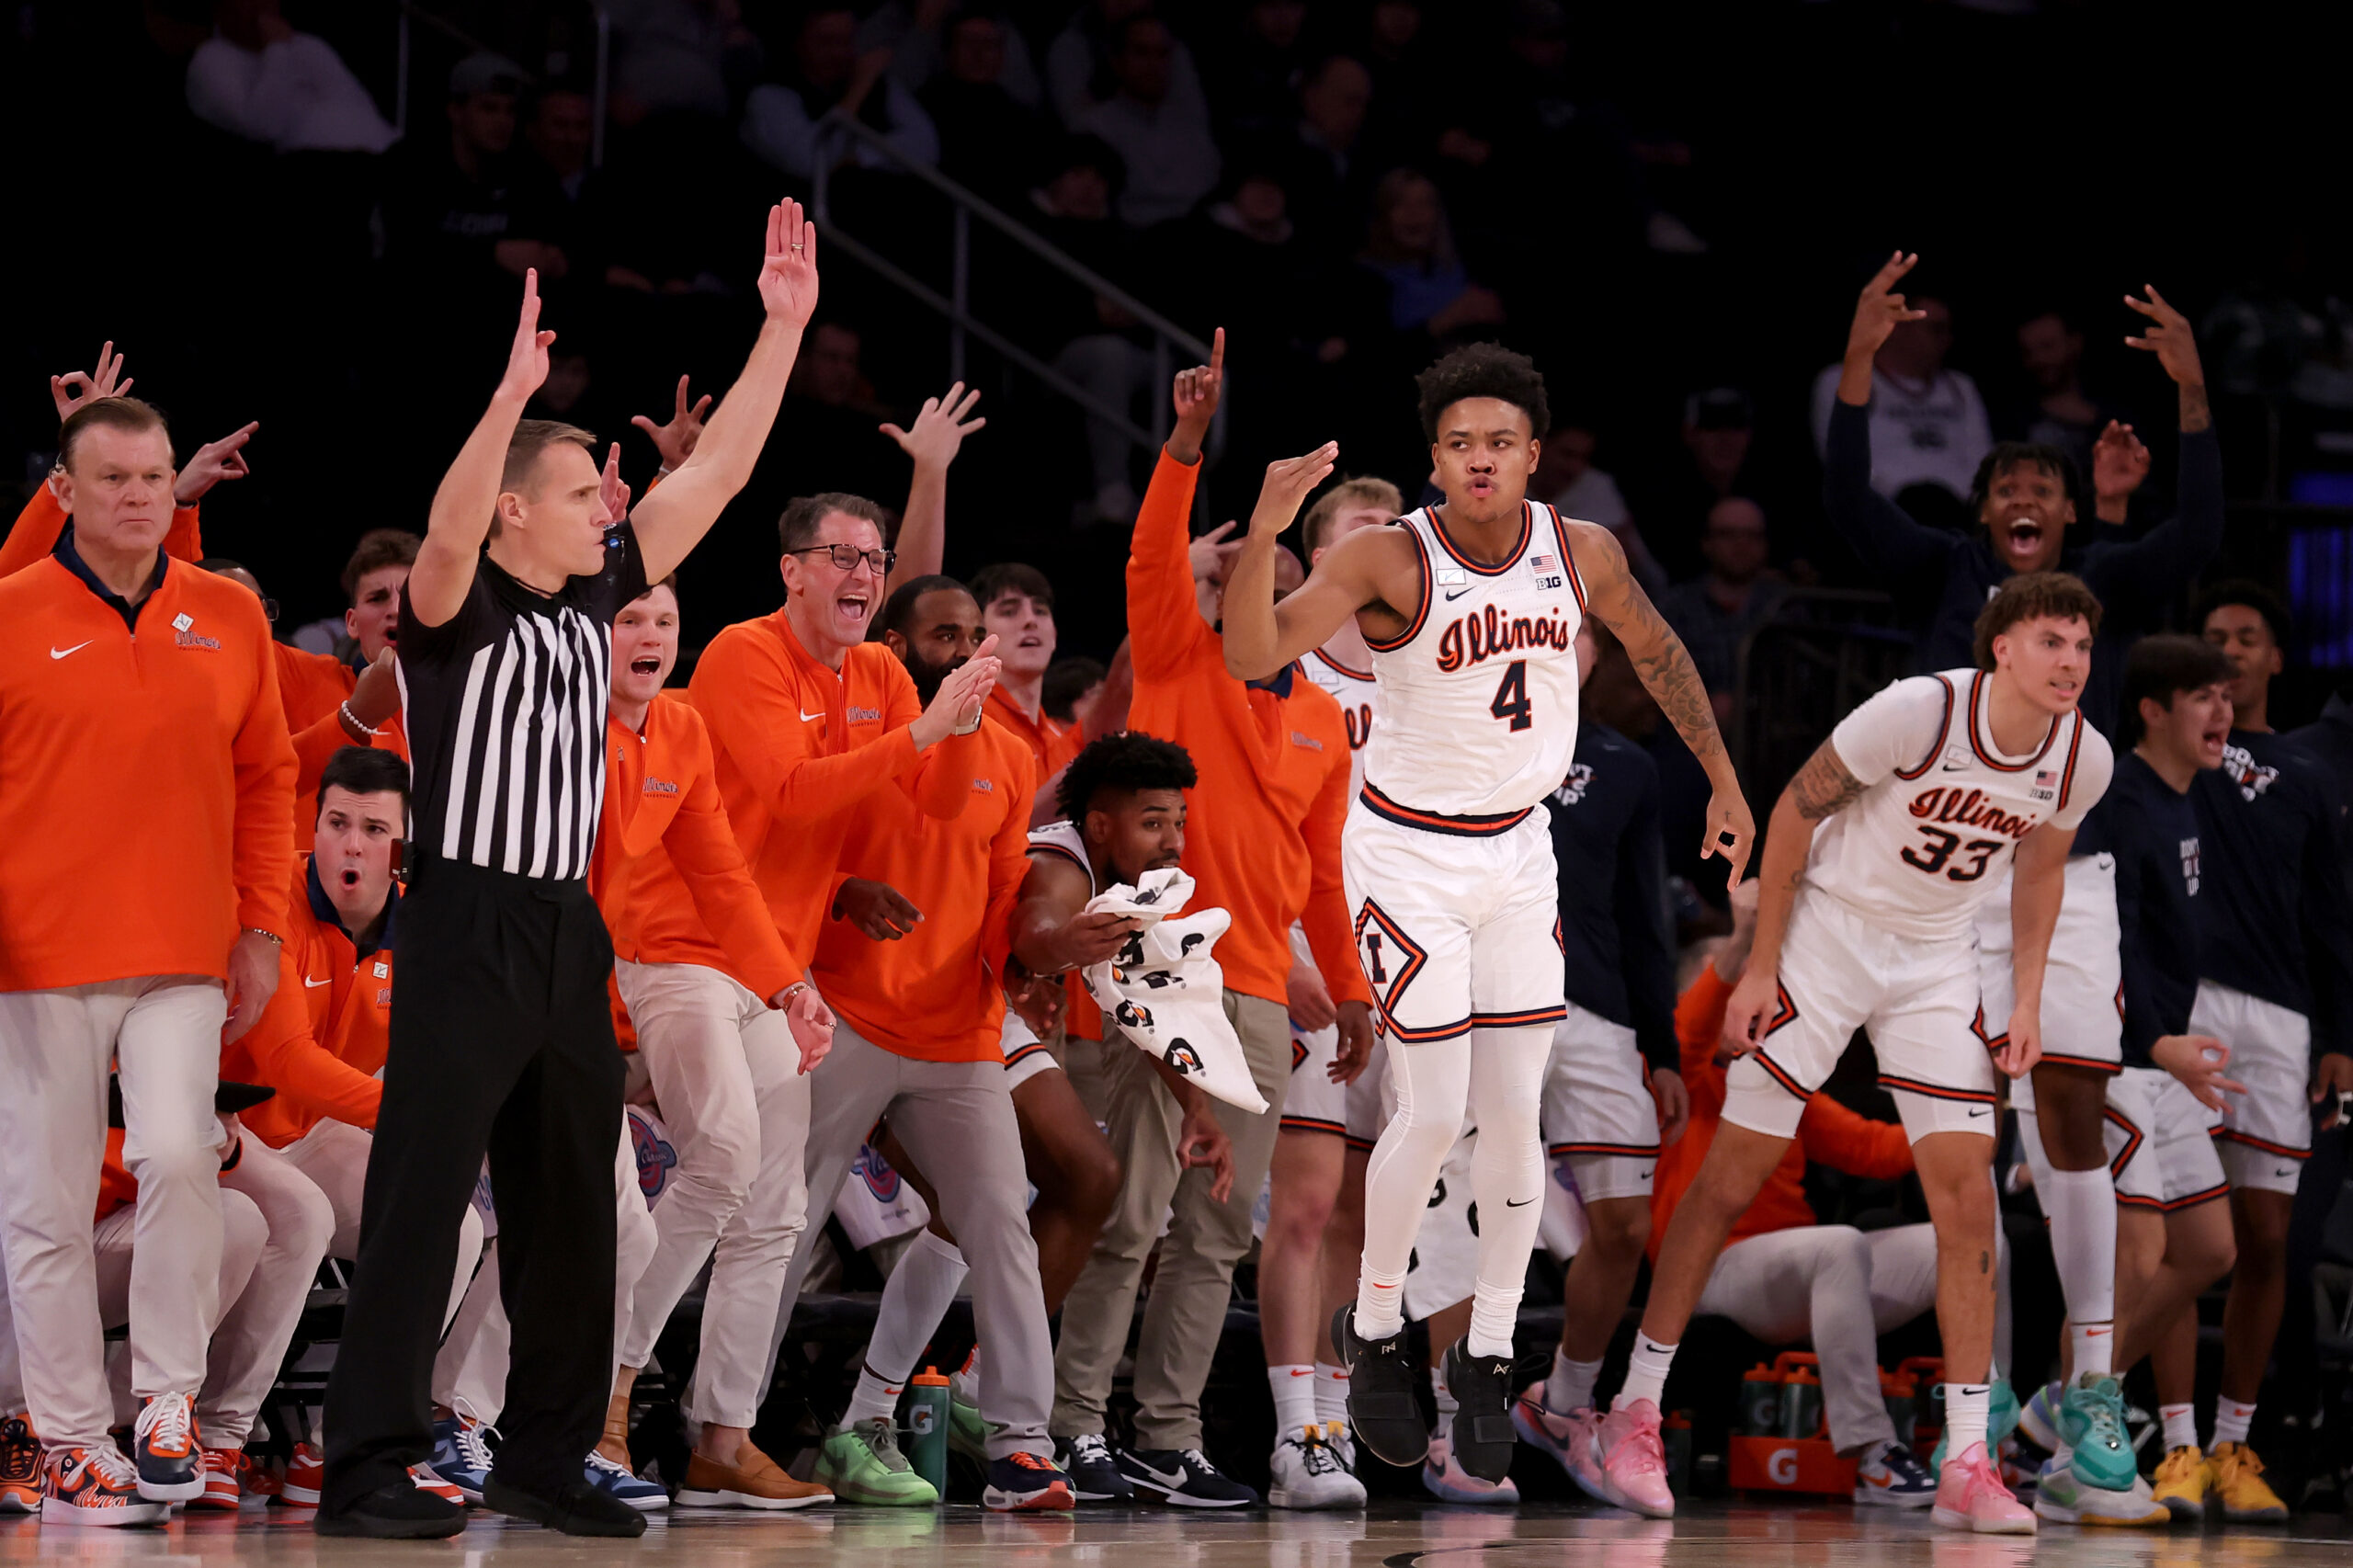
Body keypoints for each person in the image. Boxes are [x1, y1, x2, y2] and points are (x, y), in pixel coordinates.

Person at [320, 202, 819, 1540]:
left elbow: (710, 483)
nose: (614, 500)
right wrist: (505, 404)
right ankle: (367, 1459)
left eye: (612, 488)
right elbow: (438, 533)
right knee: (423, 1201)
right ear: (514, 510)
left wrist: (783, 330)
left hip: (567, 927)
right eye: (588, 486)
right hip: (464, 919)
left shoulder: (599, 595)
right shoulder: (454, 609)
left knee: (571, 1218)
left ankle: (544, 1450)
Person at [1220, 337, 1751, 1492]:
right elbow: (1249, 647)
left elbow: (1657, 652)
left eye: (1498, 443)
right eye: (1459, 443)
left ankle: (1490, 1351)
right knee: (1439, 1097)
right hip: (1405, 859)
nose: (1478, 460)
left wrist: (1720, 773)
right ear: (1434, 458)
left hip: (1517, 853)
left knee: (1513, 1124)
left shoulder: (1582, 548)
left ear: (1530, 455)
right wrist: (1265, 527)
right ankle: (1370, 1330)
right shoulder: (1384, 555)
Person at [1614, 573, 2115, 1533]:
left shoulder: (2080, 756)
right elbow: (1796, 809)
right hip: (1830, 931)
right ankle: (1636, 1403)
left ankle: (1968, 1455)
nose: (2072, 663)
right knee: (1729, 1177)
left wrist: (2024, 998)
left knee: (1968, 1199)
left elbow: (2040, 871)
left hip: (1936, 955)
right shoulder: (1920, 710)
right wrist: (1761, 967)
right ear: (2001, 648)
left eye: (2084, 646)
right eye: (2053, 641)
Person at [1050, 333, 1375, 1510]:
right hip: (1161, 970)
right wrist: (1186, 445)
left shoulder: (1326, 723)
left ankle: (1169, 1432)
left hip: (1259, 992)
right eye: (1249, 567)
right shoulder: (1181, 656)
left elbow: (1324, 872)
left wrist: (1345, 985)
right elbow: (1148, 552)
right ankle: (1073, 1425)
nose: (1267, 582)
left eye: (1283, 571)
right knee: (1132, 1216)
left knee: (1215, 1235)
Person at [0, 394, 296, 1522]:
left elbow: (270, 779)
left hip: (183, 947)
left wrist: (262, 925)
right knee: (46, 1196)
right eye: (112, 478)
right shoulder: (9, 610)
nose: (137, 497)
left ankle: (164, 1400)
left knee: (179, 1151)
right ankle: (71, 1435)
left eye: (153, 476)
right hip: (33, 955)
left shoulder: (229, 615)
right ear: (64, 493)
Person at [751, 575, 1074, 1513]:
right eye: (945, 634)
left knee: (1001, 1224)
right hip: (837, 1011)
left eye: (978, 634)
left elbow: (1009, 885)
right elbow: (779, 835)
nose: (971, 649)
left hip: (957, 1029)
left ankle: (1018, 1444)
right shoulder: (853, 734)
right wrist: (846, 885)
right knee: (782, 1225)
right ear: (893, 644)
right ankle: (727, 1432)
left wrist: (1031, 960)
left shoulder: (1010, 755)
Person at [592, 578, 835, 1512]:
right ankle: (603, 1393)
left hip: (759, 963)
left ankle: (721, 1439)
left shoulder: (682, 728)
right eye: (628, 620)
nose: (649, 635)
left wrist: (792, 986)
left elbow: (725, 872)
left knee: (775, 1205)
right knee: (724, 1152)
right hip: (659, 961)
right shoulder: (570, 720)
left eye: (663, 621)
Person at [2009, 636, 2241, 1524]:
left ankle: (2057, 1407)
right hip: (2119, 1055)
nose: (2221, 712)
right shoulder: (2111, 800)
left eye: (2225, 695)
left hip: (2164, 1056)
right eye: (2201, 697)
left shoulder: (2192, 799)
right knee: (2133, 1256)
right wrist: (2151, 1037)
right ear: (2151, 710)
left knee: (2210, 1251)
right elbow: (2091, 942)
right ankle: (2075, 1454)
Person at [1620, 881, 1949, 1506]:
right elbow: (1687, 1032)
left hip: (1798, 1275)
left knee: (1965, 1243)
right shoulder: (1675, 1080)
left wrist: (1969, 1117)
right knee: (1838, 1245)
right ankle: (1873, 1451)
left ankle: (1988, 1443)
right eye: (1739, 989)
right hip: (1708, 1272)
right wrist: (1744, 941)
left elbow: (1875, 1149)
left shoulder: (1774, 1079)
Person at [1822, 253, 2222, 733]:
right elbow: (1847, 496)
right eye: (2006, 489)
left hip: (2063, 804)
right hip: (1947, 800)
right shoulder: (1945, 568)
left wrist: (2192, 387)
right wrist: (1860, 356)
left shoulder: (2100, 575)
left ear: (2072, 512)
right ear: (1984, 511)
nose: (2024, 501)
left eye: (2043, 490)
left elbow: (2199, 532)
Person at [1012, 733, 1238, 1501]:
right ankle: (1021, 1399)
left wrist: (1198, 1110)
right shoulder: (1061, 860)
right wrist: (1053, 953)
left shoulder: (1139, 890)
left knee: (1071, 1188)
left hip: (982, 1024)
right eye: (1153, 822)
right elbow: (1037, 926)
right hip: (925, 1017)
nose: (1173, 840)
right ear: (1103, 825)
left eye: (1178, 820)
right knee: (1080, 1184)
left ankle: (999, 1392)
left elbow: (1152, 1016)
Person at [1495, 619, 1685, 1495]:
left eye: (1571, 636)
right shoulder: (1462, 736)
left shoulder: (1628, 766)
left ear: (1595, 656)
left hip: (1598, 1008)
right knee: (1462, 1216)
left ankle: (1563, 1403)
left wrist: (1663, 1048)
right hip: (1481, 1001)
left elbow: (1649, 918)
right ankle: (1448, 1411)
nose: (1554, 647)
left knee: (1622, 1225)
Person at [2180, 580, 2353, 1519]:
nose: (2231, 650)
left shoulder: (2310, 773)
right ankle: (2160, 1438)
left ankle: (2235, 1444)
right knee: (2167, 1237)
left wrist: (2340, 1040)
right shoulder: (2163, 763)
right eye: (2213, 638)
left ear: (2275, 659)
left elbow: (2332, 921)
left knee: (2267, 1238)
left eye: (2247, 638)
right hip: (2184, 1014)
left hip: (2283, 1023)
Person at [1256, 475, 1397, 1509]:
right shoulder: (1278, 672)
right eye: (1361, 532)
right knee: (1302, 1202)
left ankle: (1337, 1415)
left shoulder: (1431, 674)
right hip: (1307, 953)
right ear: (1314, 562)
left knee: (1366, 1203)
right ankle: (1291, 1426)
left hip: (1410, 965)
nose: (1383, 547)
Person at [1809, 276, 1991, 506]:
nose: (1945, 339)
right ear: (1898, 326)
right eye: (1935, 329)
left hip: (1959, 513)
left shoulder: (1961, 387)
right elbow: (1842, 460)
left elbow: (1982, 458)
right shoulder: (1843, 378)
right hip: (1885, 511)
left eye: (1948, 330)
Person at [741, 6, 939, 181]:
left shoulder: (877, 83)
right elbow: (809, 162)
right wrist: (856, 92)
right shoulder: (769, 95)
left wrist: (860, 156)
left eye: (846, 41)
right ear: (798, 43)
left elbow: (926, 146)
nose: (838, 52)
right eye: (826, 42)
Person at [185, 0, 399, 154]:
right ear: (219, 10)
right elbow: (267, 126)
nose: (262, 5)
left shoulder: (307, 45)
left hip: (382, 158)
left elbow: (359, 107)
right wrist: (276, 50)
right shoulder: (211, 61)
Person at [1074, 16, 1222, 229]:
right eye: (1141, 53)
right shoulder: (1093, 127)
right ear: (1117, 61)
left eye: (1162, 54)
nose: (1154, 65)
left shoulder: (1191, 123)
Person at [1655, 497, 1788, 719]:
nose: (1741, 545)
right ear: (1706, 543)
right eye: (1728, 534)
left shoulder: (1787, 606)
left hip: (1771, 735)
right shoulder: (1674, 608)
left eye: (1751, 536)